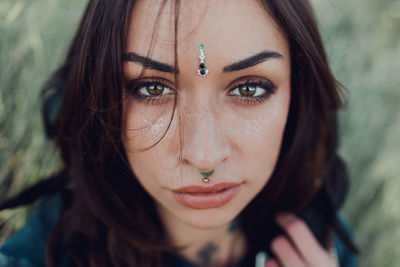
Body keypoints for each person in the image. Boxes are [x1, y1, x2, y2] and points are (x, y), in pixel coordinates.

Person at [0, 0, 359, 266]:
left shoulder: (320, 236)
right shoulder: (49, 248)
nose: (204, 157)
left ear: (298, 98)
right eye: (153, 89)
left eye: (249, 89)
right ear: (100, 95)